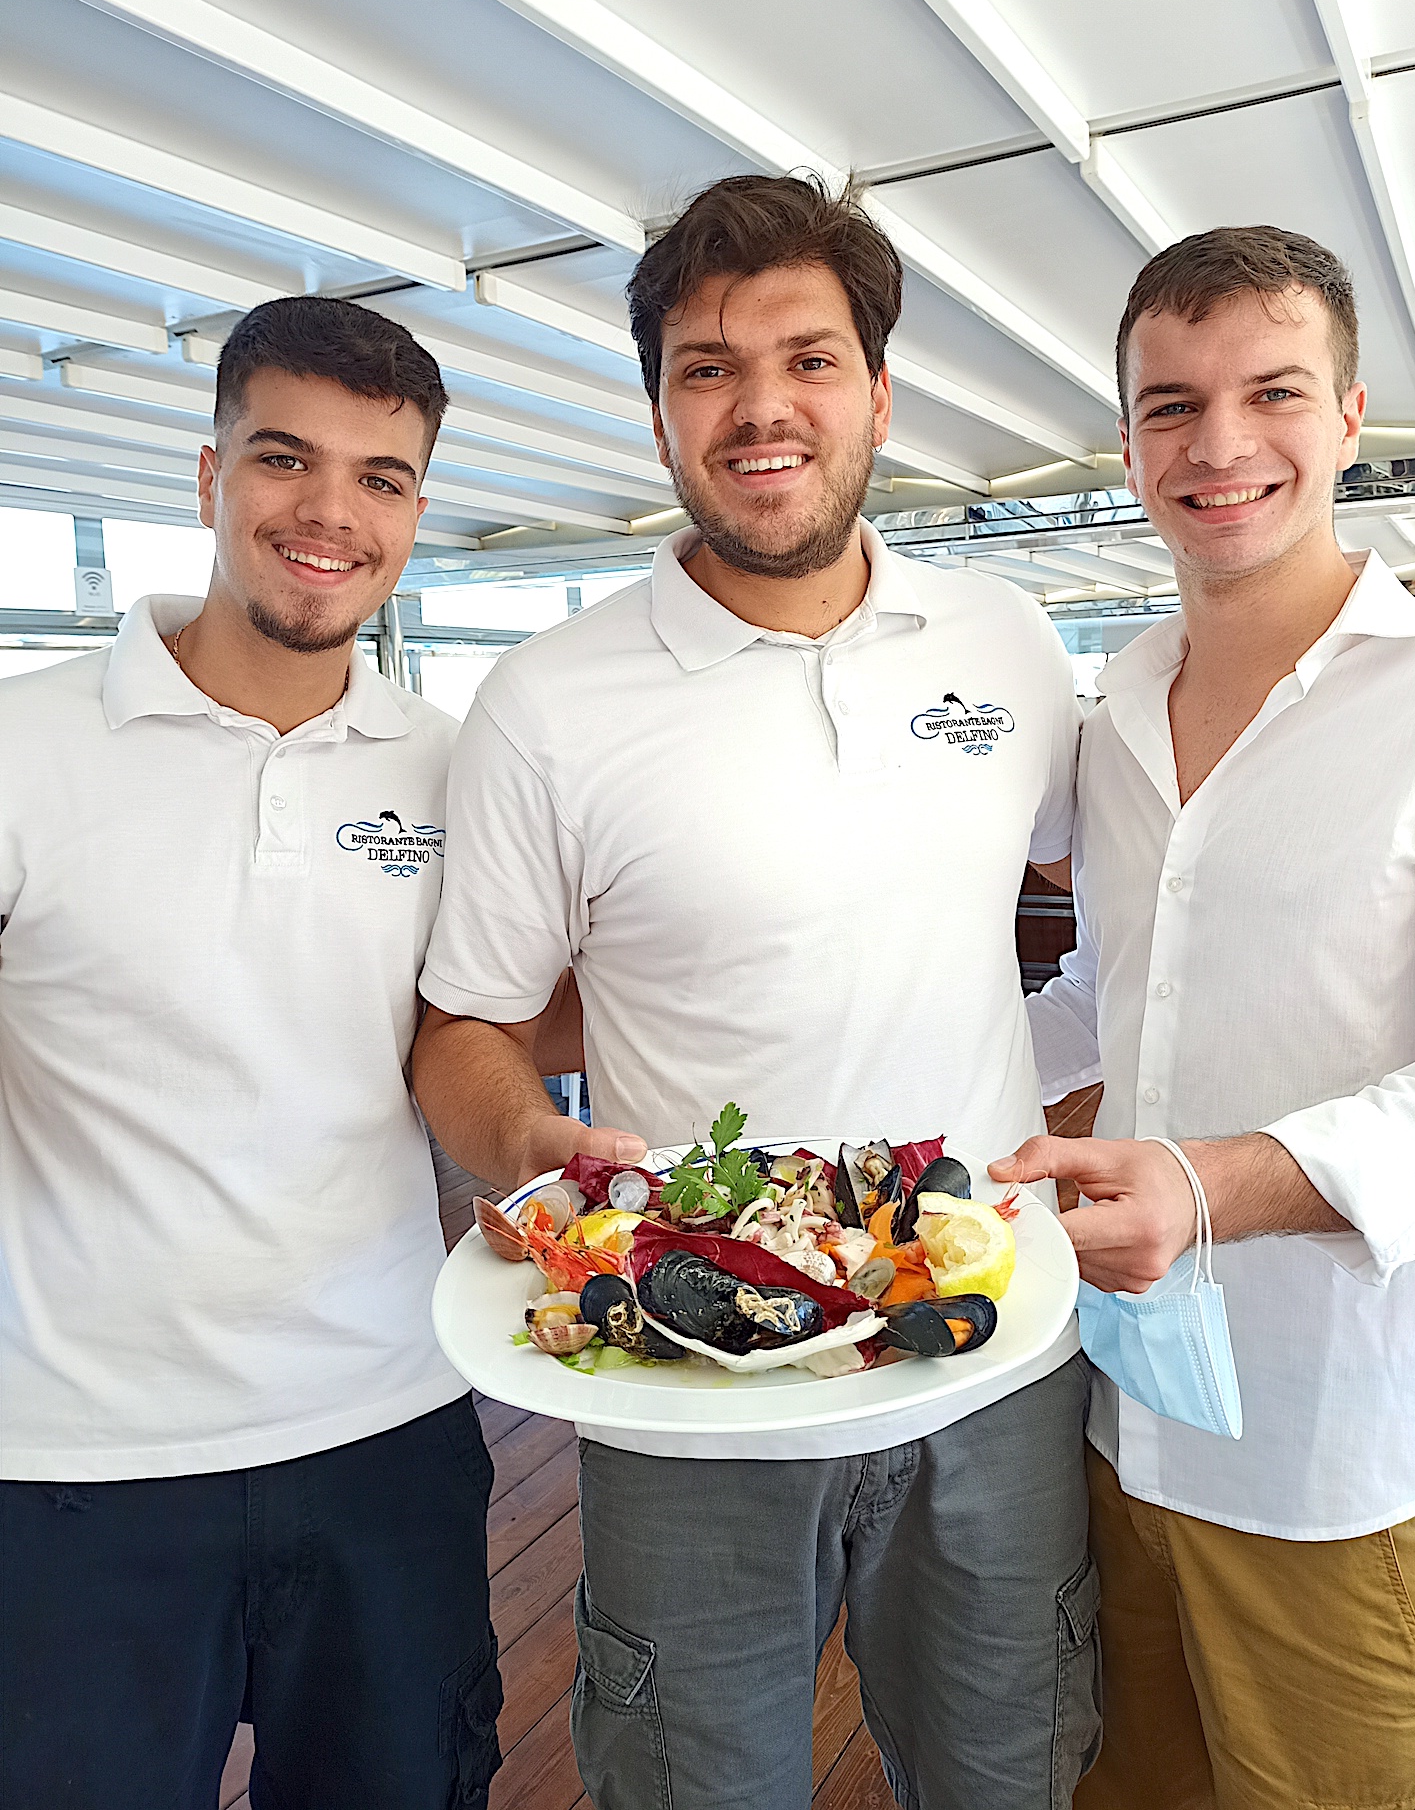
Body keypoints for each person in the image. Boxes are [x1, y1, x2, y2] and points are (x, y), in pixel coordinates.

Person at [412, 173, 1099, 1810]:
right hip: (685, 1375)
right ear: (659, 415)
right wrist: (527, 1148)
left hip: (993, 1356)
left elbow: (1124, 910)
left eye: (809, 358)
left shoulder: (1005, 643)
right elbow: (467, 1028)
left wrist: (1069, 1103)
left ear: (881, 393)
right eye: (707, 368)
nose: (760, 408)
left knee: (1008, 1774)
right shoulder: (549, 701)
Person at [1000, 226, 1415, 1809]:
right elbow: (1102, 1003)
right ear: (1127, 439)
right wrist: (875, 1086)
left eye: (1272, 392)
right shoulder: (1116, 711)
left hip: (1348, 1462)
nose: (1218, 446)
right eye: (1171, 404)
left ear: (1349, 418)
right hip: (1126, 1431)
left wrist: (1214, 1184)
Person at [0, 297, 503, 1810]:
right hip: (70, 1455)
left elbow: (475, 1031)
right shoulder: (24, 748)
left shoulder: (455, 767)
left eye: (381, 477)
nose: (330, 512)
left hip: (388, 1421)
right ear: (211, 474)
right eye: (286, 459)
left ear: (416, 509)